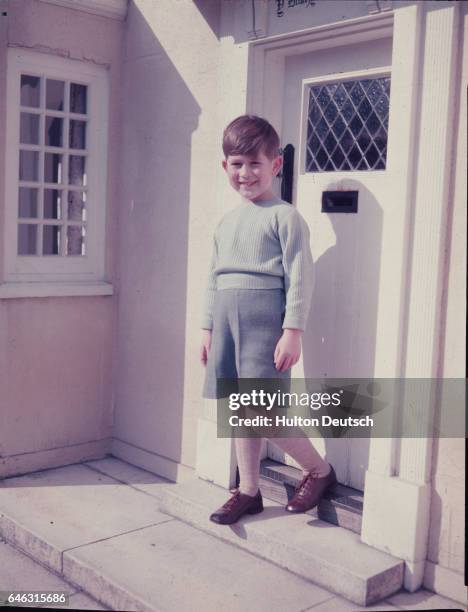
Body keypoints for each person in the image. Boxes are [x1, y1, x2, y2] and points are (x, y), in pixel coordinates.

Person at [200, 115, 337, 525]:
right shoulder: (227, 223)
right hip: (226, 322)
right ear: (225, 166)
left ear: (275, 165)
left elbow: (300, 278)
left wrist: (292, 331)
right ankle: (249, 491)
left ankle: (319, 470)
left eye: (255, 163)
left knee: (263, 412)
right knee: (239, 410)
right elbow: (213, 279)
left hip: (264, 322)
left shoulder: (285, 216)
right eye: (237, 164)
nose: (246, 173)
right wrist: (208, 329)